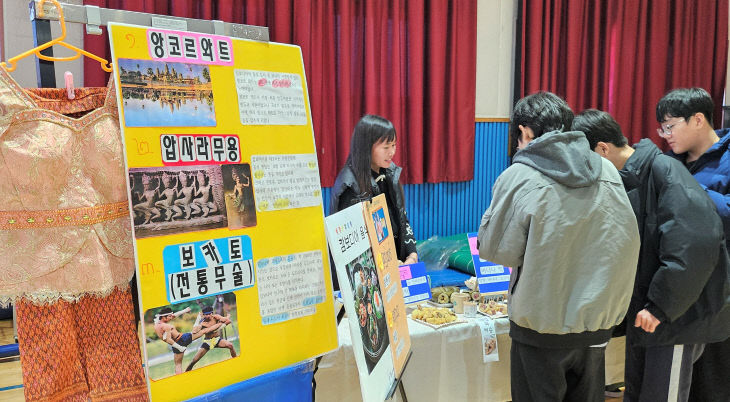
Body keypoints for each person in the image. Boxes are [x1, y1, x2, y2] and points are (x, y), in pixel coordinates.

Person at [477, 92, 640, 402]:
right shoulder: (605, 169)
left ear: (525, 132)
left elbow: (497, 251)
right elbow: (625, 240)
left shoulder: (520, 175)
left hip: (541, 324)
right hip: (597, 322)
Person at [573, 108, 730, 402]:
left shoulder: (664, 172)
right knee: (638, 393)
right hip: (648, 313)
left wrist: (660, 306)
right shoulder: (634, 177)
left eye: (584, 161)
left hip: (675, 318)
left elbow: (694, 246)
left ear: (602, 149)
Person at [656, 87, 730, 402]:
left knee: (712, 386)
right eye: (662, 128)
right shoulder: (670, 162)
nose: (665, 135)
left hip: (719, 293)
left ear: (698, 119)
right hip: (680, 291)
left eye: (671, 126)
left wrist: (688, 191)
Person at [331, 115, 418, 272]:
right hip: (370, 275)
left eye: (394, 145)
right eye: (386, 147)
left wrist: (411, 255)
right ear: (367, 147)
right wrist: (386, 263)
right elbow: (355, 246)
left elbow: (402, 219)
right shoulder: (351, 186)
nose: (392, 152)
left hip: (394, 267)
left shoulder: (389, 174)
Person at [153, 306, 222, 374]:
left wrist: (185, 310)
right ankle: (220, 325)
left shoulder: (157, 325)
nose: (171, 318)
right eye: (170, 316)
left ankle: (180, 380)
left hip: (176, 343)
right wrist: (180, 347)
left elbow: (165, 337)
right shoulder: (166, 326)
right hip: (183, 339)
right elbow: (167, 340)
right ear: (164, 317)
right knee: (204, 331)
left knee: (178, 365)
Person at [185, 305, 236, 371]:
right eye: (207, 314)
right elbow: (194, 331)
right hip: (208, 342)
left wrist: (224, 318)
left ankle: (235, 360)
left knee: (230, 345)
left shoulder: (215, 317)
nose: (209, 315)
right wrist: (197, 320)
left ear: (212, 313)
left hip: (217, 340)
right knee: (194, 360)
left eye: (210, 313)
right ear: (203, 315)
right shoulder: (202, 323)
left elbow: (227, 320)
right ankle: (187, 372)